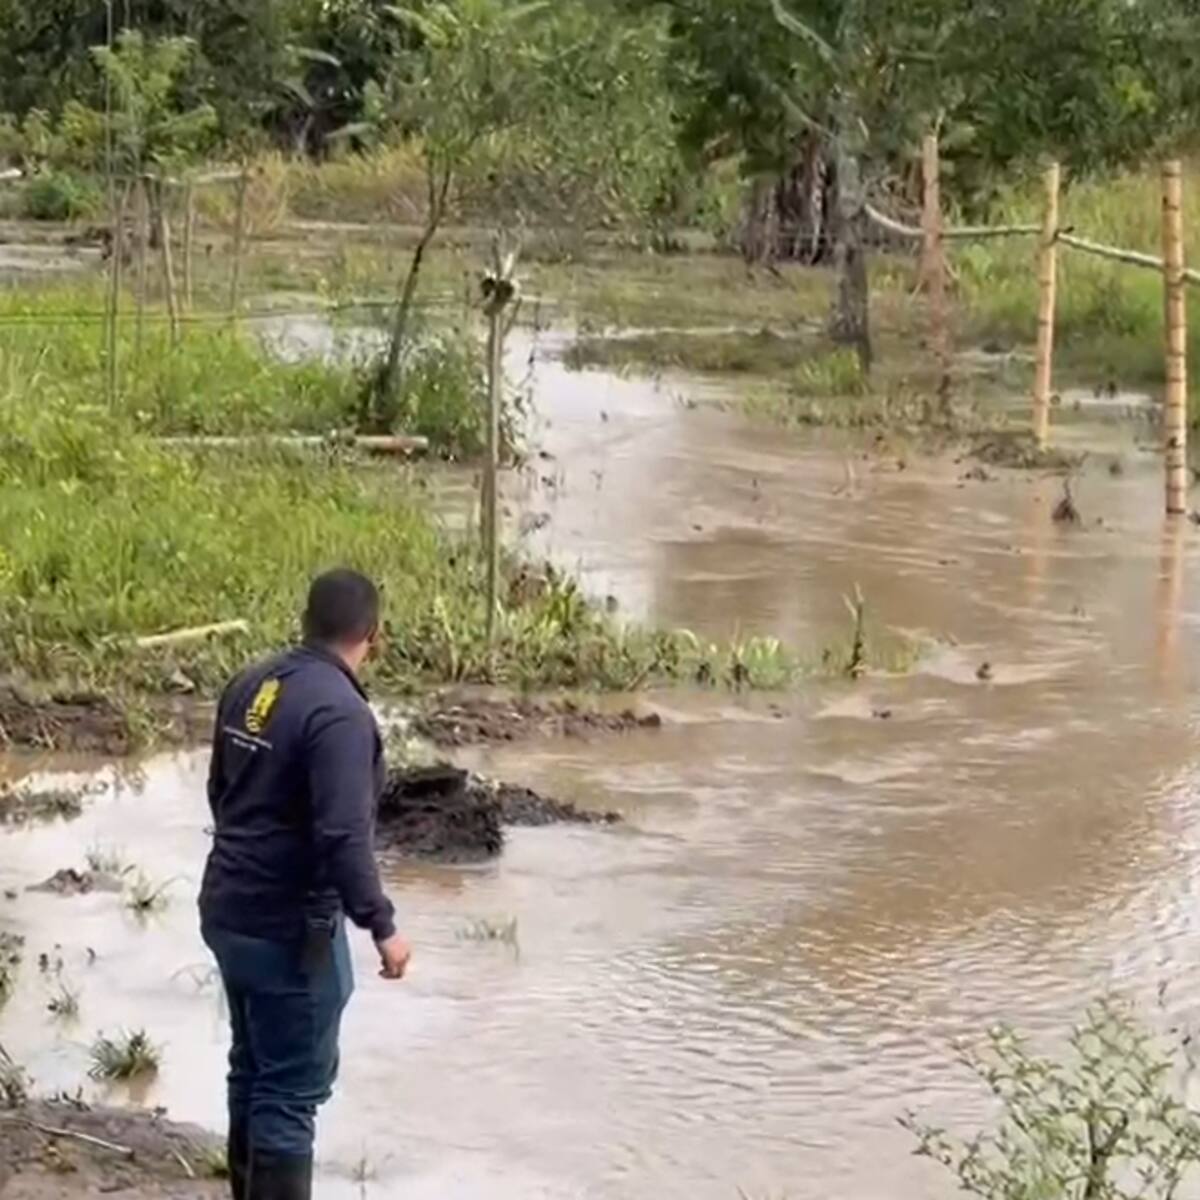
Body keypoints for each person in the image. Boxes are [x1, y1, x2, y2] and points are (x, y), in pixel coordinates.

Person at [200, 569, 411, 1200]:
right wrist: (383, 925)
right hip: (290, 930)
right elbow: (344, 836)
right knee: (290, 1094)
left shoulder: (253, 682)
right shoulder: (341, 714)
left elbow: (220, 790)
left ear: (307, 621)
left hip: (227, 908)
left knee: (253, 1068)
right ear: (373, 635)